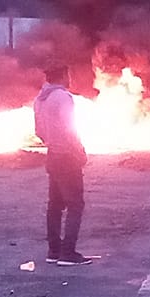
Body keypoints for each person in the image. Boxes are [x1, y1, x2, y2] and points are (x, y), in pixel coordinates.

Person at [34, 63, 90, 266]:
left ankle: (54, 250)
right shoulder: (63, 97)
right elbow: (70, 128)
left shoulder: (40, 99)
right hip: (67, 157)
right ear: (64, 75)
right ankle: (68, 253)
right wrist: (79, 150)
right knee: (75, 204)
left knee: (55, 205)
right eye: (69, 74)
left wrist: (52, 141)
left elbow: (38, 131)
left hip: (52, 156)